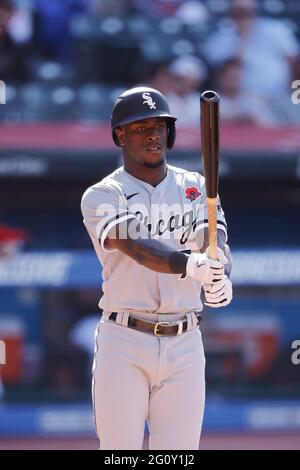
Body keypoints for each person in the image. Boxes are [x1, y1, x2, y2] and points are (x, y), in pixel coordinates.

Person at [81, 86, 233, 450]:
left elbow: (213, 241)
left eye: (160, 125)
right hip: (125, 340)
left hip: (185, 341)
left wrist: (220, 275)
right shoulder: (103, 194)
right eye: (140, 126)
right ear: (120, 135)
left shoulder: (196, 187)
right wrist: (190, 264)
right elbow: (133, 244)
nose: (153, 134)